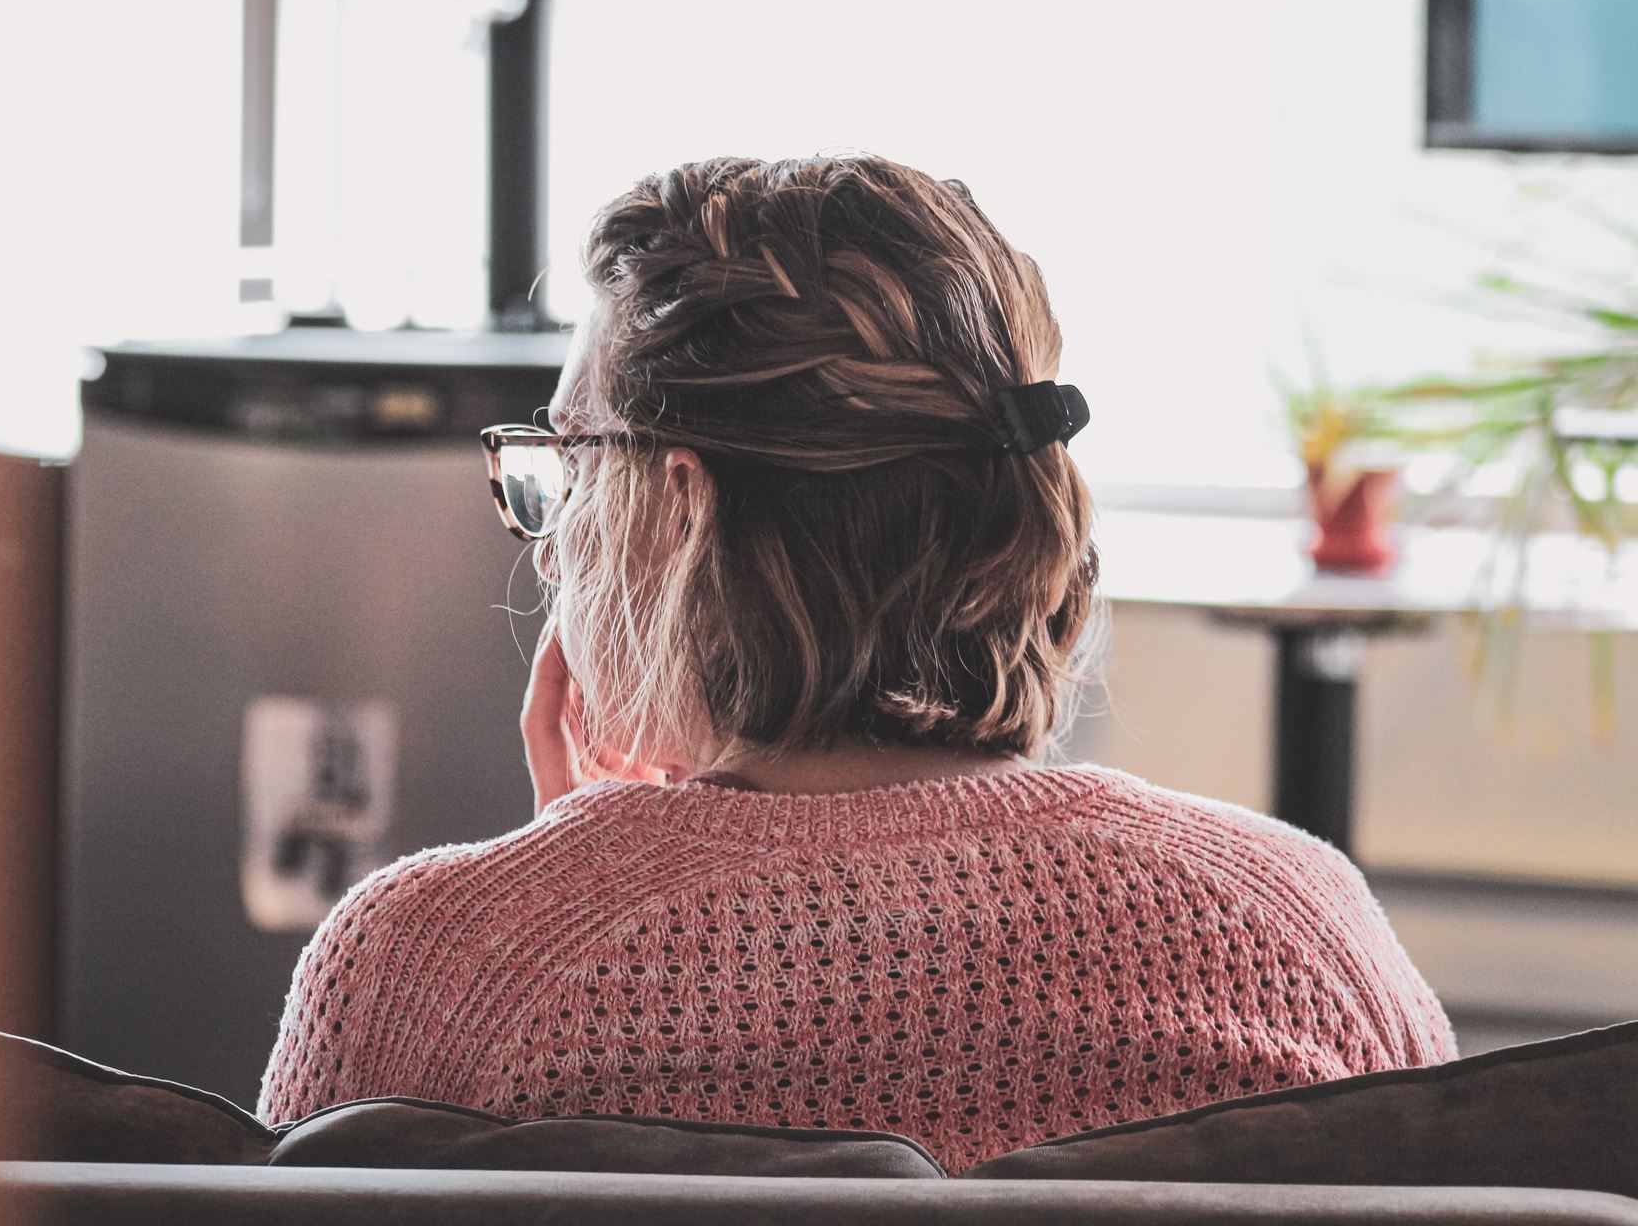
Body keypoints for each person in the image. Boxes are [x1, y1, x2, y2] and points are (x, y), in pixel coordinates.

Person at [258, 154, 1456, 1173]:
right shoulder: (1298, 928)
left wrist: (548, 897)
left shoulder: (434, 961)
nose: (554, 529)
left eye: (572, 459)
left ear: (678, 513)